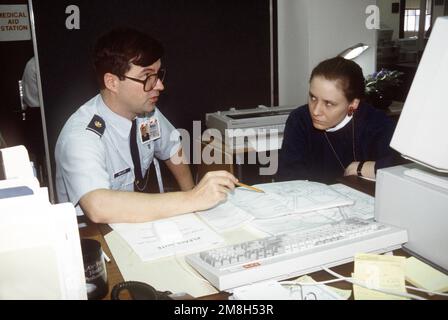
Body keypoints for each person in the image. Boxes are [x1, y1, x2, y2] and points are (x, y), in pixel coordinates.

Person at [55, 27, 238, 224]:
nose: (159, 85)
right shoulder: (81, 136)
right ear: (112, 82)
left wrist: (193, 198)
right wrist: (192, 199)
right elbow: (98, 206)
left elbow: (172, 148)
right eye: (147, 77)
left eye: (158, 75)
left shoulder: (146, 112)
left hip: (138, 224)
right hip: (96, 237)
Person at [277, 57, 398, 184]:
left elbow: (406, 166)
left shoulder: (378, 124)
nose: (316, 111)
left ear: (353, 104)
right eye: (313, 97)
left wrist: (366, 168)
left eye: (328, 103)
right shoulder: (299, 120)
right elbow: (288, 178)